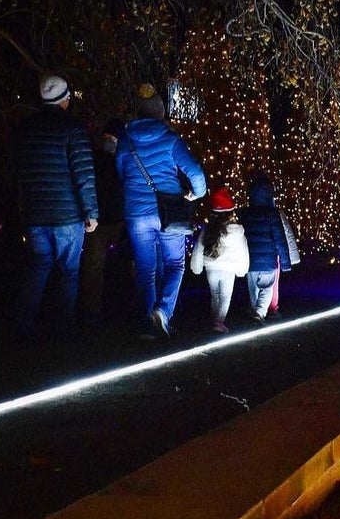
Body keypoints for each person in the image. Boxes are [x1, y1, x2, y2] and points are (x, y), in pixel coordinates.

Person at [116, 83, 206, 338]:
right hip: (168, 212)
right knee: (176, 263)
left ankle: (149, 324)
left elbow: (121, 175)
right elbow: (195, 171)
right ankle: (164, 312)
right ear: (159, 112)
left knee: (146, 270)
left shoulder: (125, 141)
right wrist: (195, 193)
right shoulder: (170, 139)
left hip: (136, 214)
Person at [13, 74, 98, 339]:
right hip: (67, 215)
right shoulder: (73, 129)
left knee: (39, 267)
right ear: (65, 100)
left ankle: (24, 324)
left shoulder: (25, 130)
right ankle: (65, 328)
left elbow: (18, 174)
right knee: (68, 272)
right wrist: (91, 212)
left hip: (36, 213)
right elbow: (83, 175)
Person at [79, 118, 126, 327]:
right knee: (94, 265)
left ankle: (116, 304)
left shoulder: (121, 159)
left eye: (112, 136)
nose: (109, 140)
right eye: (107, 136)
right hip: (103, 219)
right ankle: (92, 309)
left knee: (109, 263)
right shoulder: (98, 158)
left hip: (117, 218)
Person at [189, 187, 249, 333]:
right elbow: (243, 251)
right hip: (228, 270)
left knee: (215, 295)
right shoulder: (237, 231)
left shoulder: (208, 229)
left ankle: (215, 320)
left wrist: (196, 267)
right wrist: (242, 270)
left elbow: (199, 249)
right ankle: (219, 322)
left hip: (211, 268)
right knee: (225, 297)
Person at [237, 176, 291, 322]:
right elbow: (280, 239)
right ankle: (260, 312)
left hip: (250, 260)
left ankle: (255, 310)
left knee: (253, 288)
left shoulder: (244, 214)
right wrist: (285, 263)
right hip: (268, 261)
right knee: (267, 287)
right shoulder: (272, 215)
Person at [267, 204, 300, 320]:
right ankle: (272, 308)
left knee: (255, 282)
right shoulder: (276, 212)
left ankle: (258, 309)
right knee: (273, 282)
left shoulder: (251, 213)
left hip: (256, 253)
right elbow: (286, 233)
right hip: (273, 252)